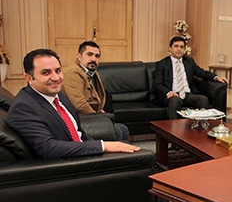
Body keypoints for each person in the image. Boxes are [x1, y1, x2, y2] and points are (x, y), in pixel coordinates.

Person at [7, 48, 140, 159]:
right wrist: (102, 146)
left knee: (130, 149)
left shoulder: (58, 96)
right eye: (46, 73)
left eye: (58, 71)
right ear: (29, 78)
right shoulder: (23, 107)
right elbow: (48, 148)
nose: (56, 78)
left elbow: (79, 132)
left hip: (80, 151)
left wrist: (98, 147)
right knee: (136, 157)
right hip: (68, 165)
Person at [61, 40, 130, 141]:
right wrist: (98, 117)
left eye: (97, 56)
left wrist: (100, 111)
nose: (93, 59)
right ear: (79, 56)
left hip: (90, 115)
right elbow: (79, 104)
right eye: (89, 54)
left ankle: (120, 150)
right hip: (78, 118)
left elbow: (97, 96)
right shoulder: (73, 73)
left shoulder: (90, 71)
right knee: (117, 130)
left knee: (123, 129)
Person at [153, 36, 228, 119]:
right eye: (176, 46)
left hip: (187, 94)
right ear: (170, 48)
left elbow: (201, 72)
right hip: (171, 95)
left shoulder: (189, 62)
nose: (179, 49)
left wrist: (216, 77)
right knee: (175, 100)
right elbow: (157, 84)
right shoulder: (162, 64)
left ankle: (200, 125)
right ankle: (173, 126)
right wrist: (168, 92)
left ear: (184, 49)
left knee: (203, 99)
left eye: (182, 47)